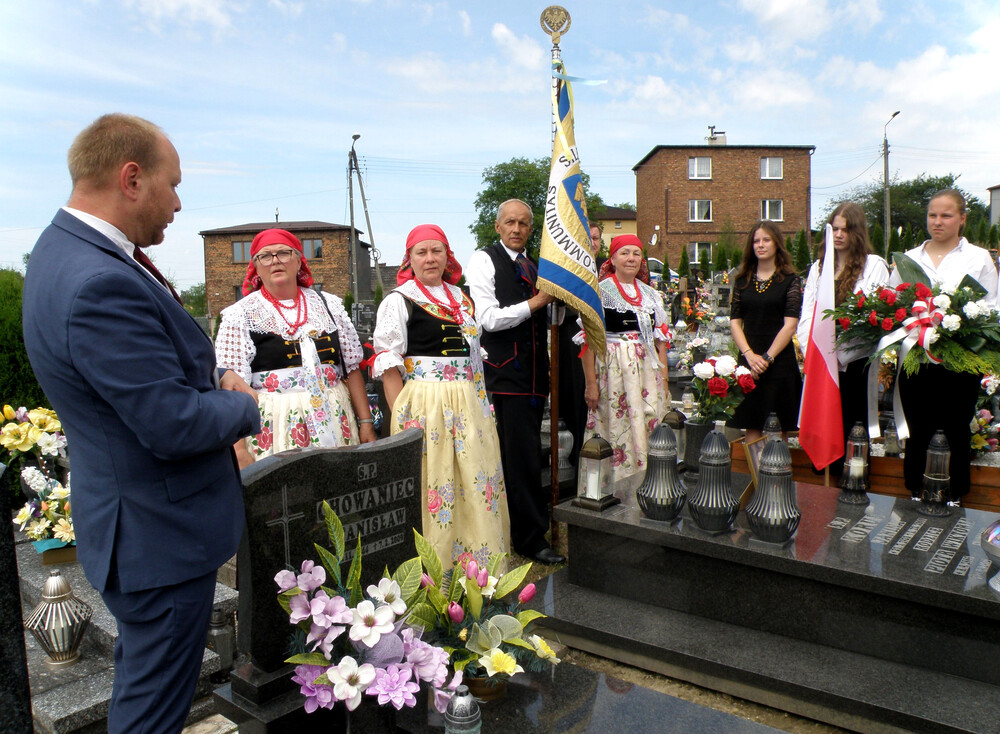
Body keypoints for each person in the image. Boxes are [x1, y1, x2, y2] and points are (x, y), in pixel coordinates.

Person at [21, 114, 260, 734]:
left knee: (148, 692)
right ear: (132, 178)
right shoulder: (99, 280)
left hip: (138, 524)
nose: (179, 203)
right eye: (172, 185)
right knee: (153, 711)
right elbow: (172, 424)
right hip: (161, 537)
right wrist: (244, 403)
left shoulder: (62, 250)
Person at [372, 224, 510, 568]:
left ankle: (477, 565)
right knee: (436, 480)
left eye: (437, 251)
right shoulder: (398, 301)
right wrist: (401, 417)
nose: (430, 258)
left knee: (473, 477)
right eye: (422, 252)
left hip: (468, 400)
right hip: (426, 402)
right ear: (410, 259)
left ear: (448, 256)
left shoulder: (462, 298)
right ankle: (436, 569)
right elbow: (389, 364)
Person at [215, 228, 375, 467]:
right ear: (256, 267)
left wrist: (366, 423)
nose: (275, 261)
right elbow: (231, 387)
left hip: (334, 416)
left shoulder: (329, 305)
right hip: (275, 424)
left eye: (284, 253)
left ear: (300, 260)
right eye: (266, 256)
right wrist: (238, 450)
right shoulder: (240, 315)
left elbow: (351, 368)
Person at [466, 199, 564, 565]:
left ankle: (521, 528)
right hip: (505, 376)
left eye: (524, 223)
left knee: (527, 456)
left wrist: (559, 302)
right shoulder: (484, 259)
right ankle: (529, 538)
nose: (517, 229)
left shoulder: (535, 265)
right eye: (510, 222)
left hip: (536, 374)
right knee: (520, 458)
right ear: (497, 226)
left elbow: (547, 315)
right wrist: (538, 302)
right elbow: (488, 318)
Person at [887, 189, 1000, 501]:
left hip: (959, 362)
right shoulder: (908, 259)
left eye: (946, 215)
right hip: (916, 358)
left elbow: (990, 309)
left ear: (962, 219)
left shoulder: (978, 259)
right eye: (932, 215)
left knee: (955, 428)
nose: (937, 222)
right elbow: (894, 304)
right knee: (918, 427)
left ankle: (954, 495)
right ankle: (915, 491)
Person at [798, 203, 889, 470]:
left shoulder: (873, 266)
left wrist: (839, 355)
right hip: (822, 363)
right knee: (825, 422)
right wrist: (814, 352)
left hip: (854, 363)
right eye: (834, 228)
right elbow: (807, 315)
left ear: (857, 232)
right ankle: (827, 487)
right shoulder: (819, 267)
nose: (838, 235)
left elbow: (873, 318)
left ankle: (854, 486)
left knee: (852, 427)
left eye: (845, 230)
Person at [581, 234, 670, 486]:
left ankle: (649, 483)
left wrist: (664, 380)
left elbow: (659, 341)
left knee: (648, 419)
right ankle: (617, 485)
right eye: (624, 253)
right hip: (614, 369)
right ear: (613, 258)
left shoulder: (651, 294)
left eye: (636, 253)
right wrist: (590, 383)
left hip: (646, 372)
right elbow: (588, 341)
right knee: (617, 422)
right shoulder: (600, 292)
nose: (631, 258)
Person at [729, 221, 803, 441]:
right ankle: (755, 476)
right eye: (756, 241)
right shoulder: (743, 280)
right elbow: (735, 322)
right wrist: (749, 356)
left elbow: (790, 324)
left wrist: (767, 358)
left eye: (766, 240)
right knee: (752, 423)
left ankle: (776, 474)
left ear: (777, 244)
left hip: (779, 360)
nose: (760, 245)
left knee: (778, 427)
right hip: (749, 359)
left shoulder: (790, 280)